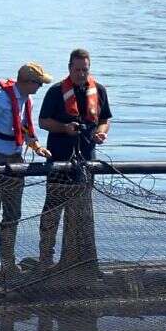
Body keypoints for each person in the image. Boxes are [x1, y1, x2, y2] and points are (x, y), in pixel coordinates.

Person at [0, 62, 52, 282]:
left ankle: (8, 266)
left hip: (16, 161)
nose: (40, 87)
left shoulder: (28, 101)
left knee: (12, 215)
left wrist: (36, 147)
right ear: (26, 82)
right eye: (38, 83)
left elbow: (24, 127)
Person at [37, 49, 111, 274]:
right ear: (69, 68)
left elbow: (105, 119)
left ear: (89, 69)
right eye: (77, 69)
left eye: (84, 70)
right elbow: (42, 122)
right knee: (51, 211)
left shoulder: (98, 90)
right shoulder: (55, 91)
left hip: (86, 162)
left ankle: (75, 259)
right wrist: (64, 128)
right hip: (59, 160)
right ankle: (45, 259)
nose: (80, 74)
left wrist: (101, 132)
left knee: (80, 213)